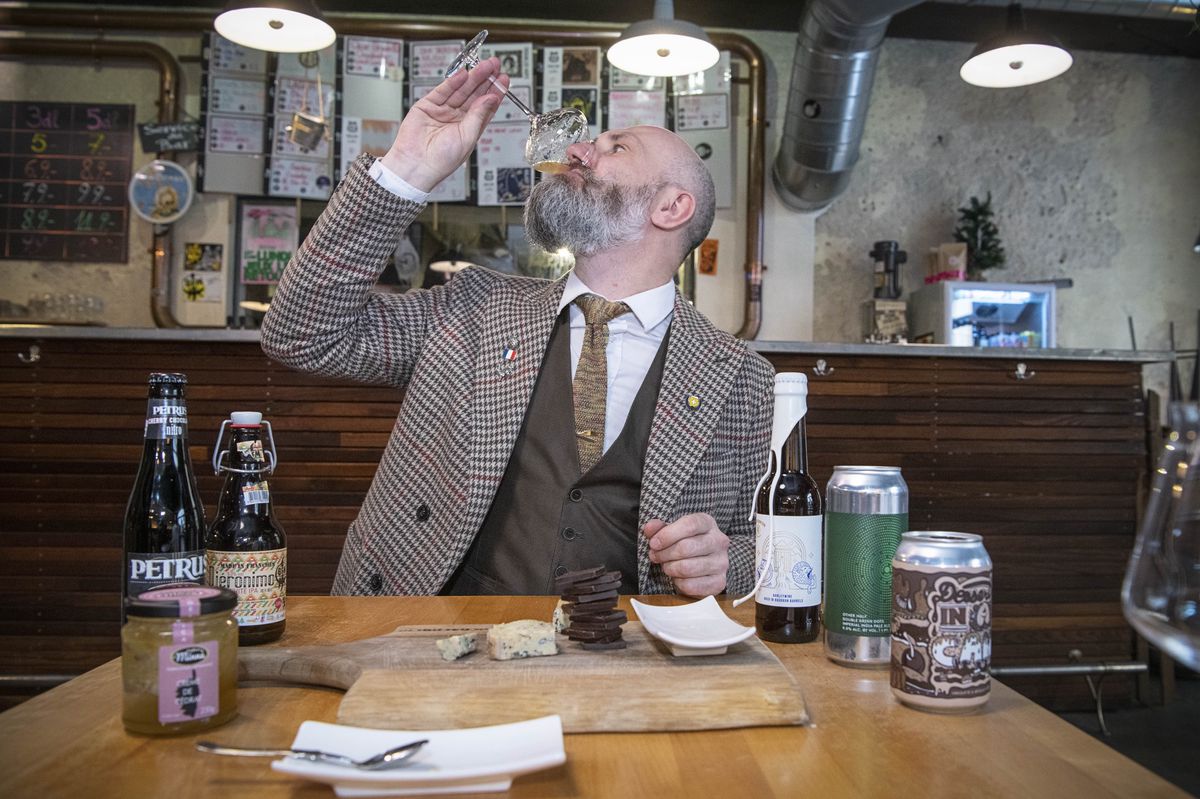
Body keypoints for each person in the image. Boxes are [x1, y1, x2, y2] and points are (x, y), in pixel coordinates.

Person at [261, 57, 772, 599]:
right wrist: (406, 170)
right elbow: (301, 334)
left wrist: (726, 563)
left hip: (630, 665)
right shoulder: (471, 308)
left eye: (615, 147)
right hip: (424, 639)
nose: (575, 150)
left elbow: (770, 544)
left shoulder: (745, 380)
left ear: (672, 207)